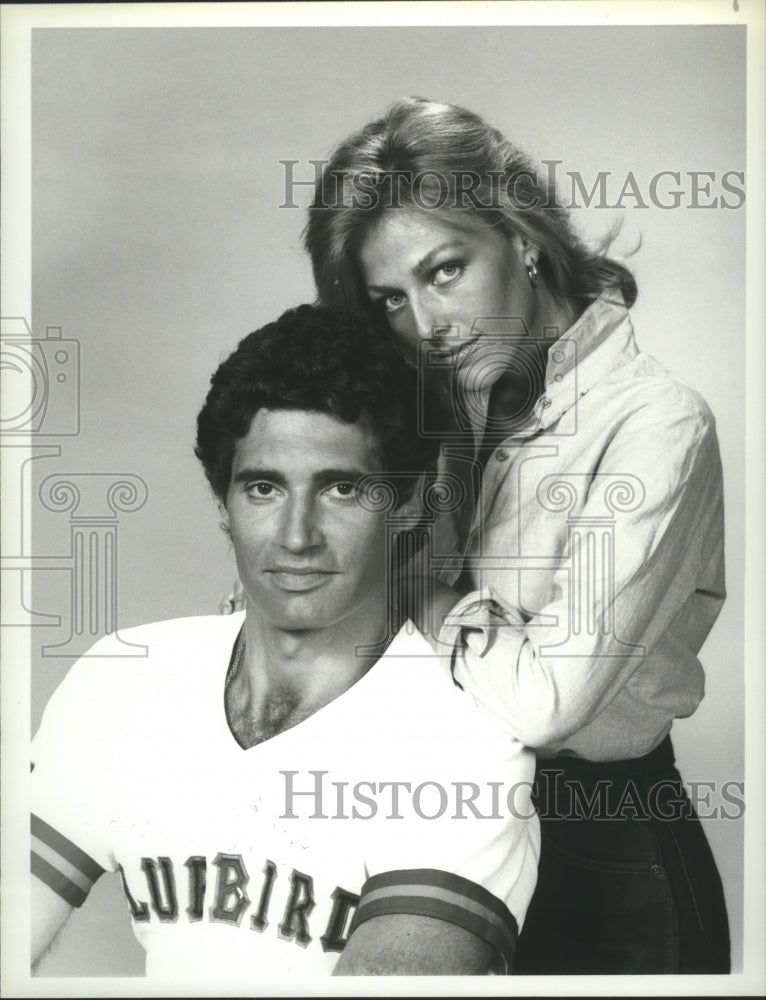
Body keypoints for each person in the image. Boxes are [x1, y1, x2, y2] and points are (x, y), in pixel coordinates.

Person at [302, 96, 731, 974]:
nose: (425, 325)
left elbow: (546, 702)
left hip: (603, 866)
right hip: (437, 841)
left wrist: (406, 577)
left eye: (445, 270)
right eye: (391, 298)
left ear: (522, 236)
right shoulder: (441, 409)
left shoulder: (658, 426)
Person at [30, 304, 540, 981]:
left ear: (413, 502)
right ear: (223, 505)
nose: (297, 535)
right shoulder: (124, 680)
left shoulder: (464, 738)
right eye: (264, 487)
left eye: (343, 489)